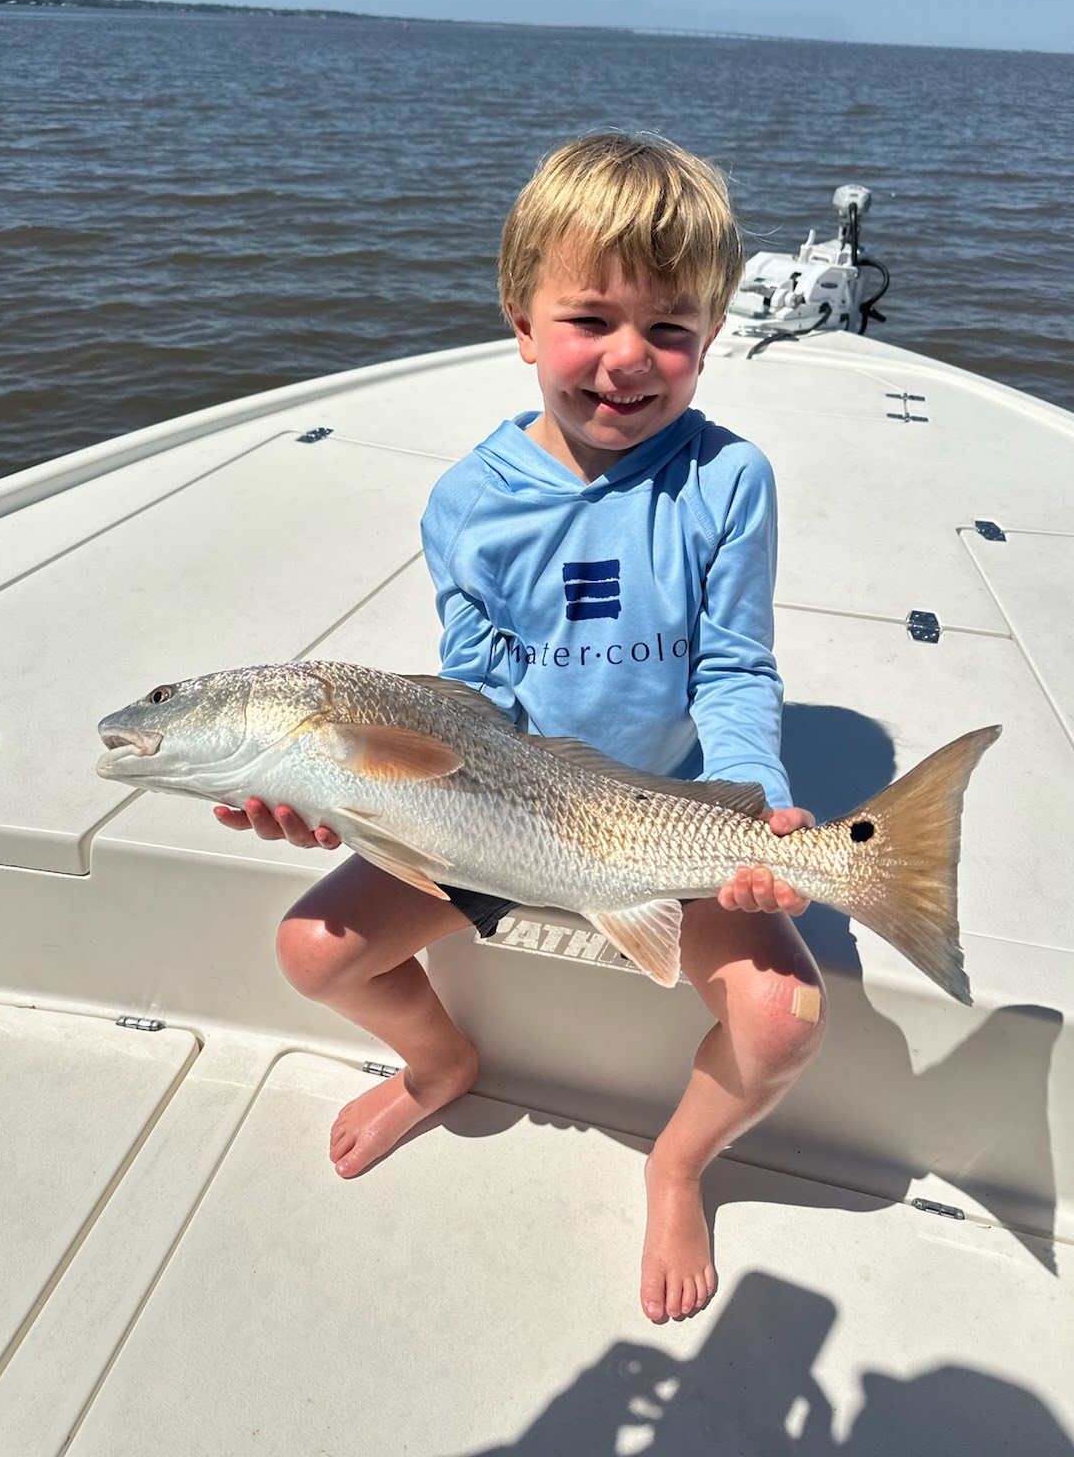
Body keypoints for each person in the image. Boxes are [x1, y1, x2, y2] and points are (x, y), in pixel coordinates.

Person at [214, 134, 825, 1325]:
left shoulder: (728, 481)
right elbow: (469, 699)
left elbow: (735, 667)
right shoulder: (466, 503)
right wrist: (345, 803)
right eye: (590, 318)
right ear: (522, 322)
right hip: (497, 816)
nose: (627, 358)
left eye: (669, 329)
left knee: (784, 1022)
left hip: (664, 827)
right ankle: (440, 1063)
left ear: (713, 336)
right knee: (311, 950)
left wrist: (755, 800)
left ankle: (677, 1164)